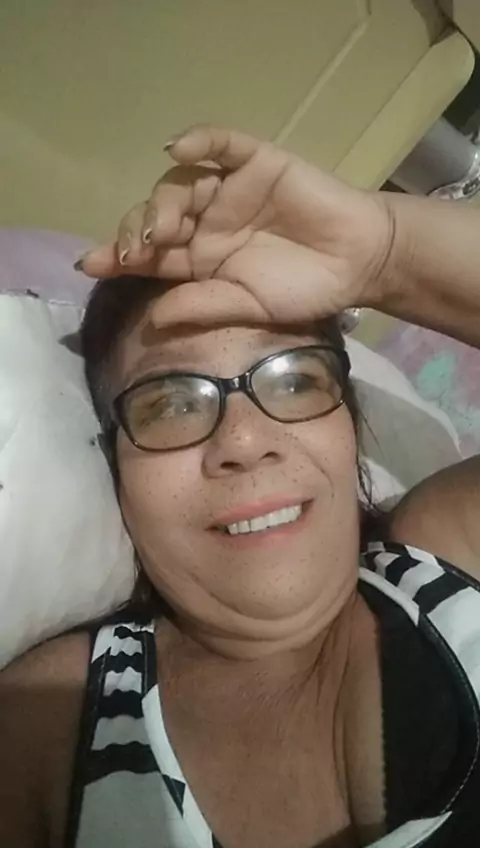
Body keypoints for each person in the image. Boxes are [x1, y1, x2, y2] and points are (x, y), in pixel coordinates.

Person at [2, 125, 480, 848]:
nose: (246, 441)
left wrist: (389, 251)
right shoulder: (45, 724)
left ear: (350, 425)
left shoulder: (450, 550)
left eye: (294, 379)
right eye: (172, 403)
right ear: (115, 461)